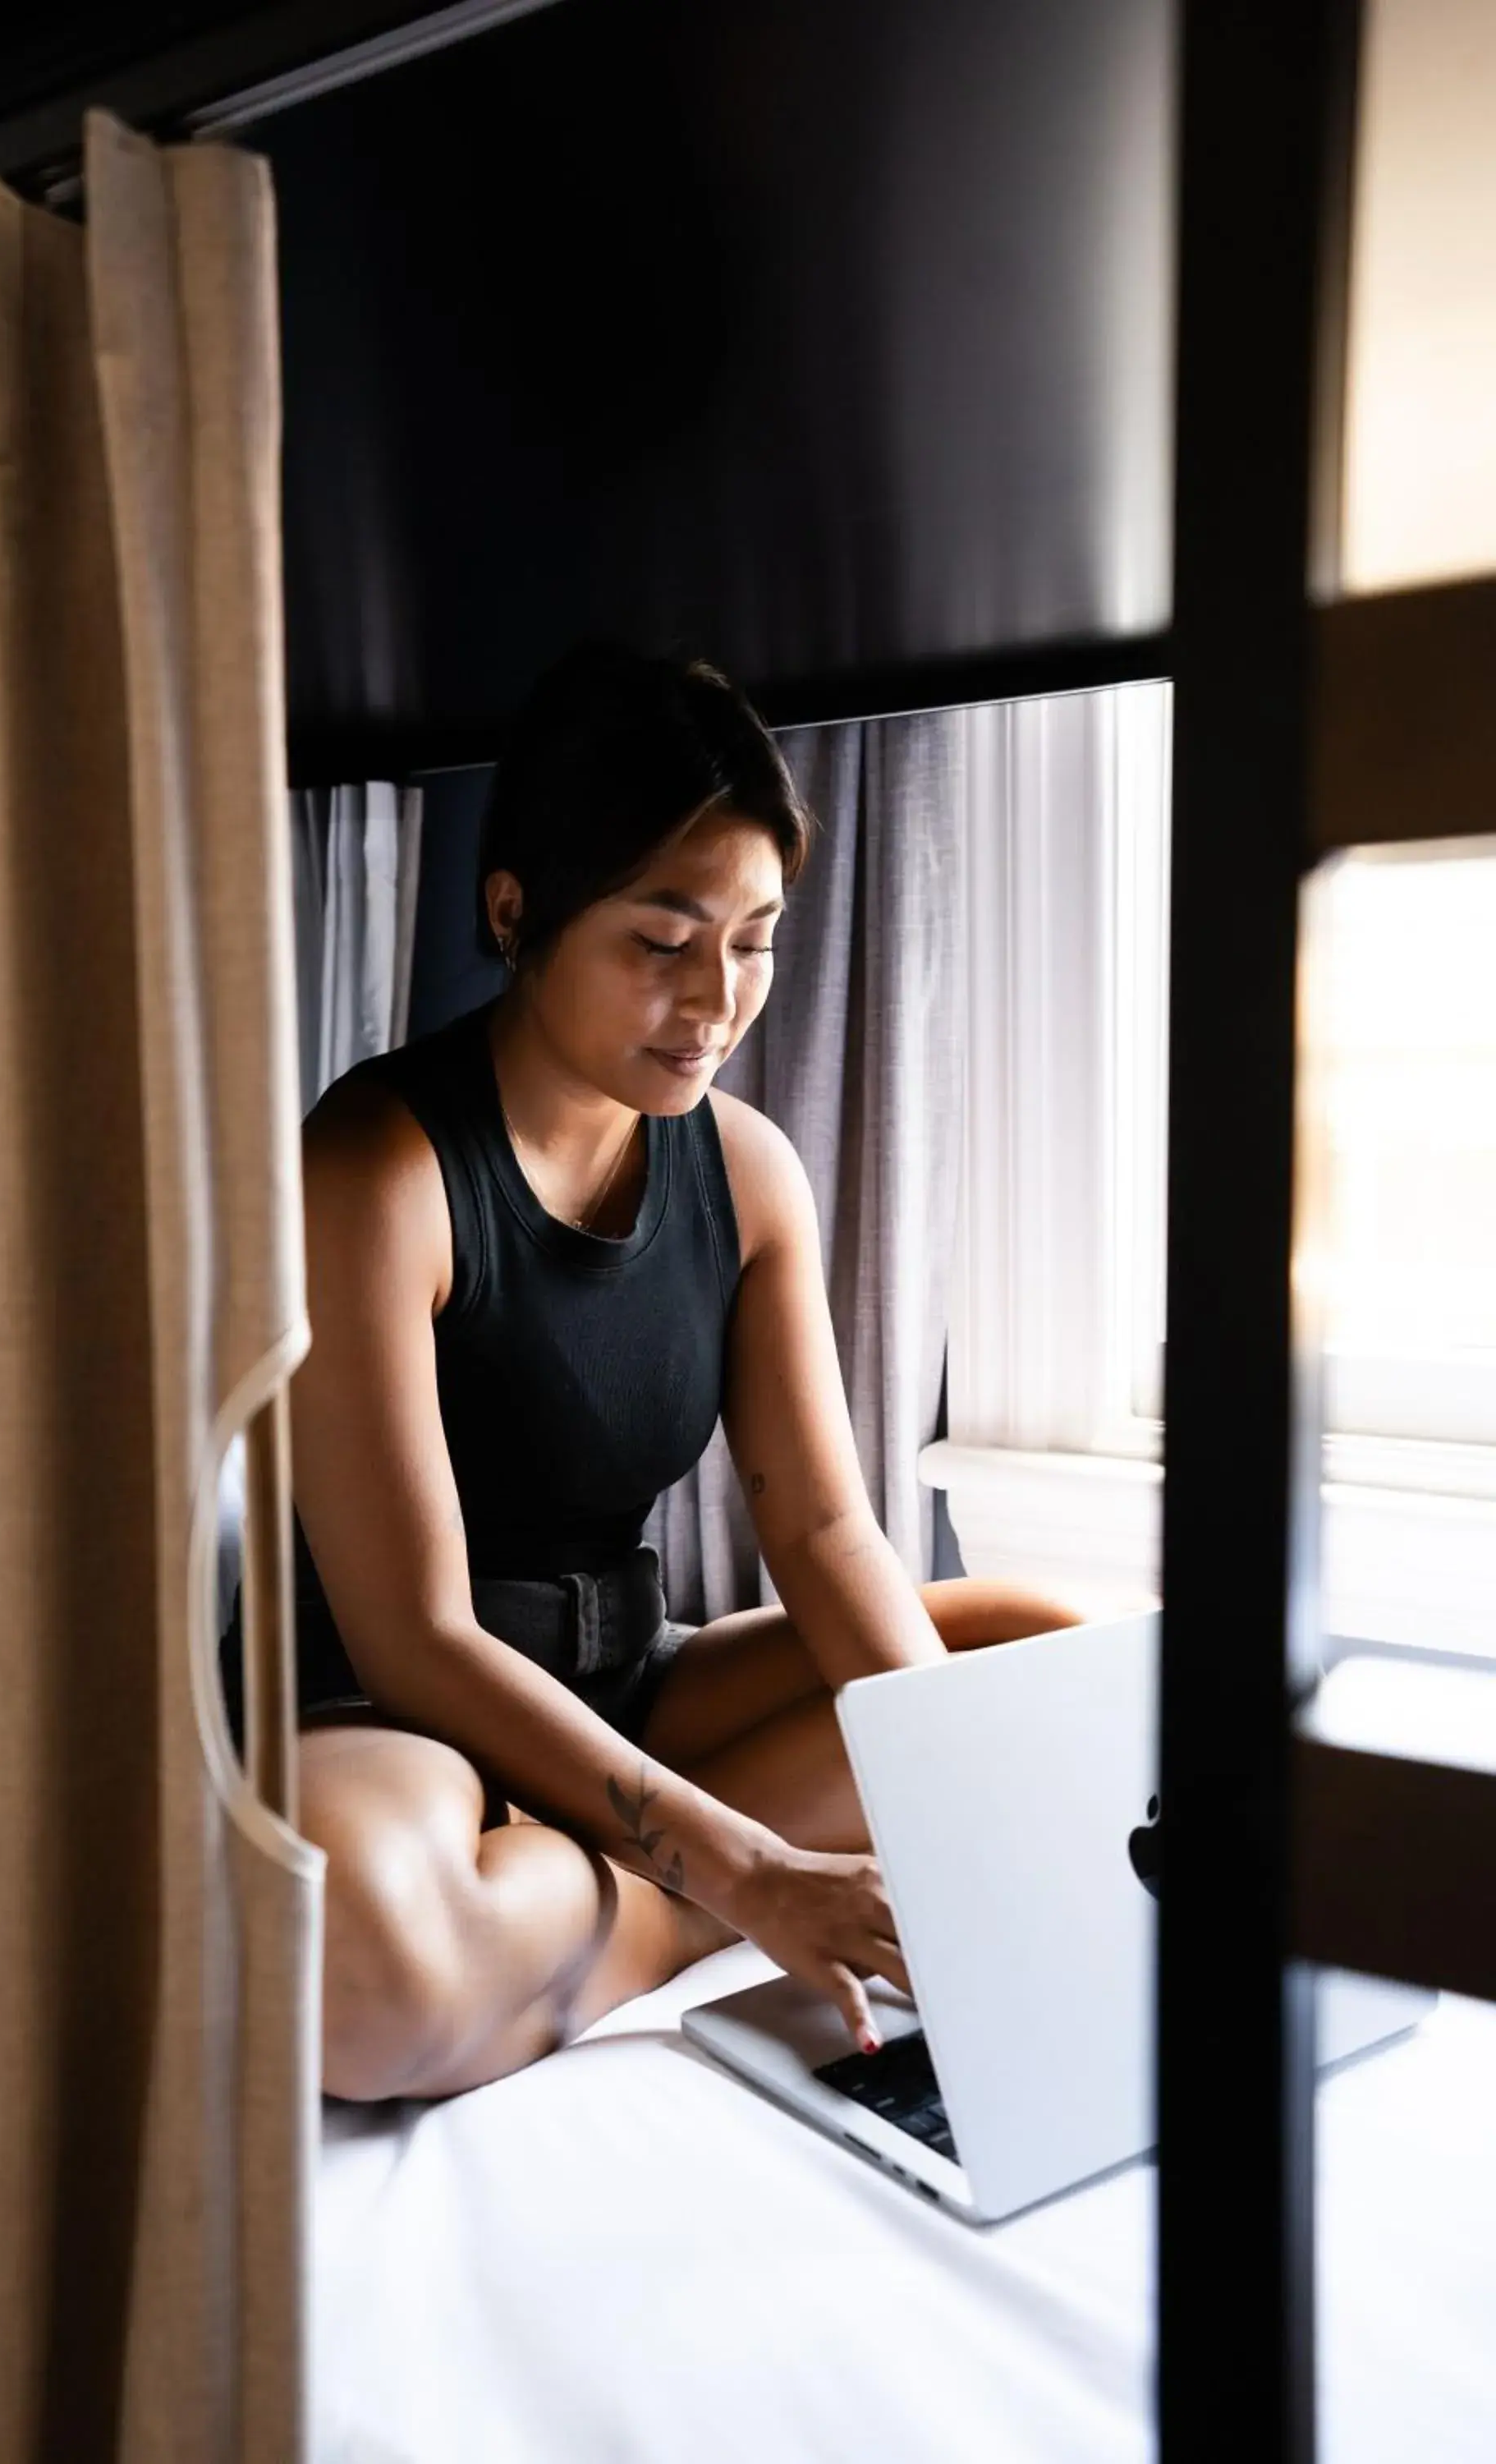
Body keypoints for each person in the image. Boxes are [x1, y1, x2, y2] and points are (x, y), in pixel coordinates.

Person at [221, 641, 1079, 2103]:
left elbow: (820, 1534)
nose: (718, 1000)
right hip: (395, 1723)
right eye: (662, 940)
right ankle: (687, 1904)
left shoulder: (749, 1174)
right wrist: (744, 1869)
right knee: (357, 1961)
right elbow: (419, 1636)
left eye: (756, 940)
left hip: (632, 1683)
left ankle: (608, 1899)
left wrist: (968, 1790)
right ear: (516, 911)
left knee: (1046, 1653)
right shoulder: (370, 1171)